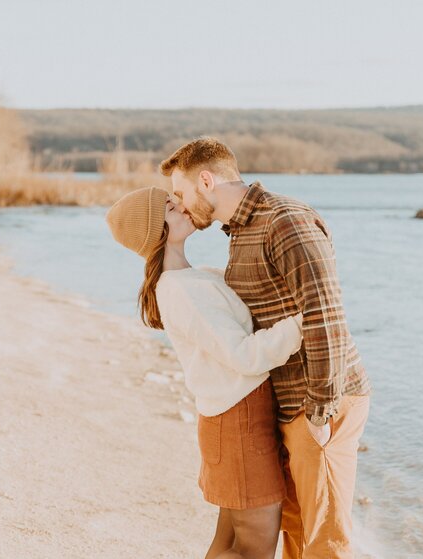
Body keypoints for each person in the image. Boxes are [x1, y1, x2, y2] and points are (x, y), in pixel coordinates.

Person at [159, 137, 372, 559]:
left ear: (206, 181)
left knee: (326, 541)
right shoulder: (240, 231)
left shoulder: (283, 220)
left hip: (318, 400)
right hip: (287, 405)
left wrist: (321, 411)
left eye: (181, 193)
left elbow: (326, 314)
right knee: (294, 532)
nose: (181, 205)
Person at [106, 186, 304, 559]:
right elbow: (244, 356)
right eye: (169, 205)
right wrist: (303, 322)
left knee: (229, 544)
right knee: (254, 549)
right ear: (154, 229)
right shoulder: (181, 289)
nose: (182, 204)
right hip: (239, 422)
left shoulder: (193, 279)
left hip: (232, 419)